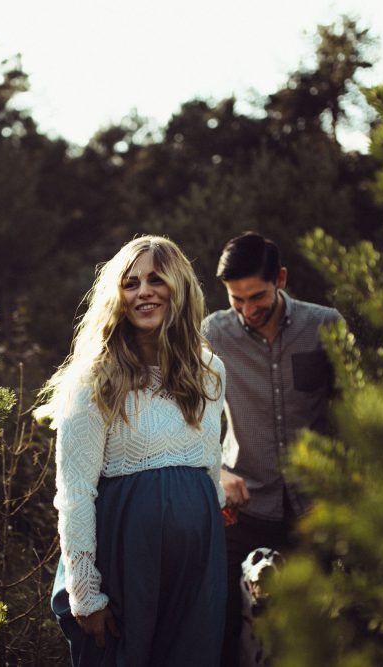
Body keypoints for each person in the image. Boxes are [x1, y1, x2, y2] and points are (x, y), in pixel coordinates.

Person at [41, 235, 228, 666]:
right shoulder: (93, 381)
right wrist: (85, 591)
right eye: (131, 283)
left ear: (178, 288)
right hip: (125, 555)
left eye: (156, 279)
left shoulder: (210, 370)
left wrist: (210, 523)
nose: (144, 291)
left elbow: (210, 457)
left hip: (199, 557)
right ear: (117, 297)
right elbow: (74, 491)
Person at [201, 232, 344, 667]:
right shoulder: (213, 334)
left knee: (309, 635)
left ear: (280, 278)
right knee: (227, 626)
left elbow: (353, 412)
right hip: (242, 510)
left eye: (257, 296)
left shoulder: (326, 326)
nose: (247, 310)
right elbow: (191, 416)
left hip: (315, 508)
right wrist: (216, 471)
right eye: (236, 299)